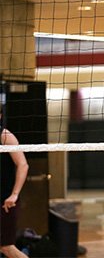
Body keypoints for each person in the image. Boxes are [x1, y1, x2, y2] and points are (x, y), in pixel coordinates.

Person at [0, 111, 29, 258]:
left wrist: (15, 194)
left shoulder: (5, 136)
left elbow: (23, 165)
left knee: (7, 247)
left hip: (5, 201)